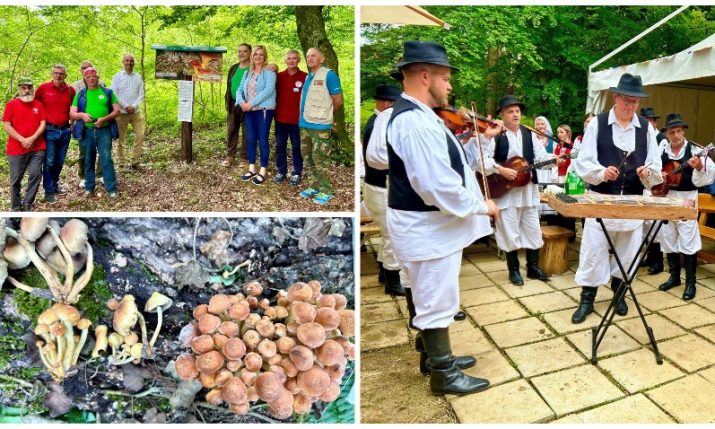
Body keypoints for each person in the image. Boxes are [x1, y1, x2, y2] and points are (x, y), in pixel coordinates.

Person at [386, 40, 497, 395]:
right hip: (427, 228)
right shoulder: (414, 123)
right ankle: (443, 373)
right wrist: (481, 206)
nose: (450, 86)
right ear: (424, 76)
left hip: (426, 226)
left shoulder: (418, 116)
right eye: (446, 78)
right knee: (436, 298)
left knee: (427, 293)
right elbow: (435, 184)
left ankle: (431, 355)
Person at [570, 73, 662, 324]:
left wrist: (647, 173)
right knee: (593, 250)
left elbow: (656, 166)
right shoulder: (598, 124)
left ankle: (619, 294)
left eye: (635, 102)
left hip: (632, 202)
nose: (631, 106)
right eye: (627, 101)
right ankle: (587, 298)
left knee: (628, 252)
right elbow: (583, 162)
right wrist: (601, 172)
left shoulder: (646, 129)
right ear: (616, 97)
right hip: (601, 200)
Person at [474, 95, 555, 286]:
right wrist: (500, 170)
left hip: (527, 190)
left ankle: (533, 268)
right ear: (502, 114)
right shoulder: (497, 135)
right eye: (510, 111)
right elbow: (481, 160)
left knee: (533, 229)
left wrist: (553, 160)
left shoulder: (529, 134)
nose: (515, 114)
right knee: (509, 230)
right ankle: (514, 270)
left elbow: (541, 157)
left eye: (517, 111)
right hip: (505, 191)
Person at [657, 113, 715, 300]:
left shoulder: (696, 151)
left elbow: (709, 176)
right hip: (667, 198)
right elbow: (653, 171)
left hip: (686, 199)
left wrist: (698, 167)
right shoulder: (661, 149)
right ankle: (674, 277)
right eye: (672, 131)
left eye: (679, 131)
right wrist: (658, 176)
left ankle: (691, 283)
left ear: (683, 131)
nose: (676, 135)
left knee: (688, 239)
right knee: (668, 237)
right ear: (666, 133)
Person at [363, 84, 402, 295]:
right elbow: (379, 158)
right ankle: (393, 282)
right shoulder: (379, 123)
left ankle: (383, 273)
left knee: (388, 234)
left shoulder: (375, 121)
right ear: (388, 104)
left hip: (376, 187)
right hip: (380, 188)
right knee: (392, 236)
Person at [298, 47, 344, 206]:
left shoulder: (329, 75)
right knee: (308, 156)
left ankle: (326, 190)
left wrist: (326, 114)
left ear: (321, 59)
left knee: (321, 158)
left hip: (320, 126)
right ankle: (314, 186)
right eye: (308, 56)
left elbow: (338, 101)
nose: (310, 58)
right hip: (304, 124)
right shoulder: (308, 77)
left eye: (313, 56)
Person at [70, 67, 120, 199]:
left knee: (107, 159)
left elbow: (116, 111)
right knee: (88, 160)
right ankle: (89, 187)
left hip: (104, 131)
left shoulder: (108, 92)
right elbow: (72, 113)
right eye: (88, 77)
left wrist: (104, 119)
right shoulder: (80, 94)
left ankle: (111, 189)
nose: (91, 78)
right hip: (86, 131)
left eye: (94, 76)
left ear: (98, 78)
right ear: (85, 79)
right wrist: (82, 115)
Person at [2, 77, 46, 211]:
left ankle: (28, 203)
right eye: (24, 88)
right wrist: (22, 139)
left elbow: (43, 123)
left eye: (29, 88)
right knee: (15, 180)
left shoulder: (38, 105)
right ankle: (16, 207)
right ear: (19, 89)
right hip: (16, 149)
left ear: (33, 89)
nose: (27, 91)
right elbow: (6, 125)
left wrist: (32, 138)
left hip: (37, 148)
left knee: (36, 174)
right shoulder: (12, 104)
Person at [235, 45, 276, 186]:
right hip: (249, 110)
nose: (258, 57)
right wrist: (241, 103)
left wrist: (250, 103)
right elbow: (239, 90)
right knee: (251, 139)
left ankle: (263, 170)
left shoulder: (269, 72)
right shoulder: (248, 73)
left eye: (261, 54)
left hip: (263, 110)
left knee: (262, 139)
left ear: (265, 57)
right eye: (256, 54)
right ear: (252, 56)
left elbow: (268, 90)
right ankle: (252, 168)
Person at [35, 64, 75, 204]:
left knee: (59, 161)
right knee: (49, 162)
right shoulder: (43, 88)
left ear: (65, 75)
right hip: (49, 129)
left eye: (61, 73)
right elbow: (34, 106)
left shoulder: (70, 90)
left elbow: (74, 108)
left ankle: (55, 184)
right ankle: (48, 191)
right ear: (52, 74)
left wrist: (73, 123)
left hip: (65, 130)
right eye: (56, 73)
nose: (58, 76)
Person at [638, 106, 667, 274]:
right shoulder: (640, 137)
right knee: (646, 224)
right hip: (643, 184)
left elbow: (659, 163)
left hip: (656, 186)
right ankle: (650, 257)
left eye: (650, 120)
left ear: (654, 122)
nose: (647, 123)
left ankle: (658, 262)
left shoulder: (661, 139)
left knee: (655, 223)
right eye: (645, 120)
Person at [274, 49, 307, 185]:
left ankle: (297, 172)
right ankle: (281, 171)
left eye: (294, 58)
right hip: (280, 118)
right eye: (289, 58)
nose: (291, 61)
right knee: (280, 146)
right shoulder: (279, 76)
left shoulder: (305, 77)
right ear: (285, 60)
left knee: (296, 147)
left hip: (297, 120)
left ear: (298, 60)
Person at [72, 60, 105, 186]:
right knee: (84, 152)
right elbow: (71, 106)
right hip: (82, 124)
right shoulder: (75, 86)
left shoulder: (101, 83)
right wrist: (72, 122)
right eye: (84, 68)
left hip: (100, 123)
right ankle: (84, 176)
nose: (87, 69)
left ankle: (100, 174)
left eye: (89, 67)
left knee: (103, 150)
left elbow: (106, 101)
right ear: (80, 70)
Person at [111, 54, 145, 168]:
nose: (129, 63)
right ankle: (122, 161)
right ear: (123, 62)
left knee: (140, 134)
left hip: (135, 112)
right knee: (121, 138)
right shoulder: (117, 77)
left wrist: (133, 106)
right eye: (127, 61)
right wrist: (126, 106)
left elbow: (141, 94)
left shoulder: (138, 77)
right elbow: (114, 94)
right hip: (121, 112)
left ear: (134, 63)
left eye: (131, 61)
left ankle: (135, 161)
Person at [223, 43, 251, 168]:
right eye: (239, 51)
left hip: (248, 105)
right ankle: (230, 156)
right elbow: (229, 86)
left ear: (250, 53)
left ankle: (244, 158)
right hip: (233, 103)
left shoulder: (253, 68)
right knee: (232, 130)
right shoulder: (234, 68)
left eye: (244, 51)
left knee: (247, 132)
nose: (241, 53)